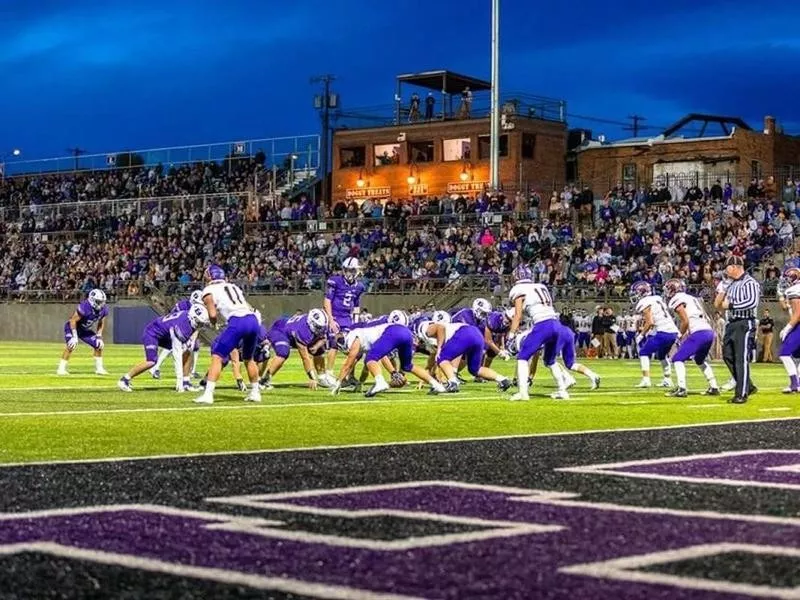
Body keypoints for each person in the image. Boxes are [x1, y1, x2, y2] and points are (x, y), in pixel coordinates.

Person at [193, 265, 262, 405]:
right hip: (253, 320)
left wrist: (213, 324)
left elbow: (212, 314)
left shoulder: (208, 290)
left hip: (237, 321)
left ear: (210, 276)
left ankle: (208, 394)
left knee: (217, 356)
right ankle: (255, 392)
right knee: (249, 358)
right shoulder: (233, 287)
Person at [332, 322, 445, 397]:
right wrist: (393, 372)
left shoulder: (353, 336)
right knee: (407, 366)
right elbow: (383, 357)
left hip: (393, 331)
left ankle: (380, 382)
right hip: (405, 333)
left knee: (370, 358)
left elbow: (348, 364)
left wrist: (338, 383)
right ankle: (436, 385)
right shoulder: (365, 336)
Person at [118, 305, 210, 393]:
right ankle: (124, 380)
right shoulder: (182, 326)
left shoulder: (188, 318)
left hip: (165, 334)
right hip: (152, 333)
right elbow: (176, 356)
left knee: (188, 351)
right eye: (199, 323)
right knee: (151, 361)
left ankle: (186, 382)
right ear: (193, 318)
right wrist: (179, 383)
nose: (200, 325)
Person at [416, 320, 512, 393]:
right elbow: (433, 362)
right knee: (475, 369)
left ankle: (453, 382)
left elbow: (440, 328)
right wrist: (427, 379)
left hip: (465, 333)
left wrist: (440, 348)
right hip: (477, 334)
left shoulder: (426, 329)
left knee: (442, 357)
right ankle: (503, 379)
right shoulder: (448, 331)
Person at [714, 255, 761, 404]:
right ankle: (749, 385)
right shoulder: (732, 285)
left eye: (727, 268)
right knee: (728, 356)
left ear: (734, 267)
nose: (725, 271)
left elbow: (752, 302)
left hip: (744, 322)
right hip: (732, 323)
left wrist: (731, 306)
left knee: (741, 358)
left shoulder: (750, 282)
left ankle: (741, 394)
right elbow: (721, 304)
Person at [663, 279, 719, 397]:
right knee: (699, 360)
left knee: (677, 359)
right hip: (708, 331)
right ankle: (714, 386)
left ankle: (682, 388)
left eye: (668, 289)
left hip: (699, 332)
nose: (667, 292)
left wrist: (679, 336)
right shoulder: (692, 298)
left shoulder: (677, 299)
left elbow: (685, 321)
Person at [323, 257, 367, 387]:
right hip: (335, 316)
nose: (348, 273)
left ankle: (350, 376)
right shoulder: (335, 281)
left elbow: (357, 305)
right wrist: (330, 319)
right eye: (346, 270)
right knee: (334, 343)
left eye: (351, 270)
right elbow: (327, 300)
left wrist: (357, 321)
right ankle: (329, 374)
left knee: (354, 349)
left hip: (348, 319)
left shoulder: (359, 286)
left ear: (357, 271)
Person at [261, 310, 330, 389]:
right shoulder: (303, 330)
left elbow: (324, 338)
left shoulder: (322, 325)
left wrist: (316, 347)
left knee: (319, 350)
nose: (321, 329)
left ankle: (322, 377)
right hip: (280, 330)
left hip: (290, 331)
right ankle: (264, 380)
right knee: (283, 352)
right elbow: (305, 358)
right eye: (318, 327)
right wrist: (312, 377)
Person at [631, 281, 678, 388]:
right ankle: (667, 379)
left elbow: (650, 322)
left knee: (643, 353)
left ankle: (646, 380)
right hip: (672, 331)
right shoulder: (657, 298)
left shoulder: (645, 302)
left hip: (663, 332)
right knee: (662, 355)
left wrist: (641, 335)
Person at [150, 290, 205, 379]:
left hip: (183, 328)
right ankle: (155, 368)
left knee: (195, 347)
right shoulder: (184, 306)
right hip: (174, 327)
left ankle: (192, 371)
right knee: (171, 347)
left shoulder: (189, 306)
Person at [57, 289, 109, 376]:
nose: (101, 304)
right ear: (92, 300)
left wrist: (99, 336)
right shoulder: (85, 306)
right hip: (72, 327)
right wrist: (74, 336)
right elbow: (73, 320)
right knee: (71, 345)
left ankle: (99, 369)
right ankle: (61, 369)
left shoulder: (103, 309)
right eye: (98, 301)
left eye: (102, 302)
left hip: (84, 330)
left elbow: (101, 322)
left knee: (98, 345)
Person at [777, 267, 800, 393]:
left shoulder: (795, 290)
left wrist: (787, 328)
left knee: (784, 353)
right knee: (797, 356)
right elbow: (786, 307)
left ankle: (794, 384)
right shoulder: (793, 290)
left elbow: (797, 313)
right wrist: (781, 296)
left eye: (788, 277)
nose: (786, 280)